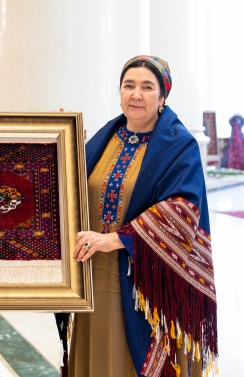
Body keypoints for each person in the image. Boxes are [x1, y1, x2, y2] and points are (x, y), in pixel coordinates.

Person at [57, 56, 217, 377]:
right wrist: (62, 145)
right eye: (128, 86)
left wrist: (115, 239)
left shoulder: (178, 146)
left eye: (147, 87)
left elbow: (184, 212)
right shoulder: (105, 139)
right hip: (90, 278)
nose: (136, 94)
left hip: (140, 287)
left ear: (163, 97)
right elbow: (75, 192)